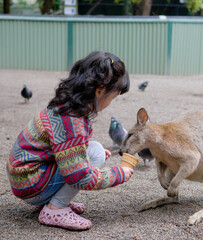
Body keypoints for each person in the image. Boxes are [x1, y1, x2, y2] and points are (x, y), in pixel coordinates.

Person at [6, 51, 134, 231]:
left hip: (23, 177)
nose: (111, 102)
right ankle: (55, 209)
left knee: (93, 150)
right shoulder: (72, 122)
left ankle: (52, 201)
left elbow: (64, 146)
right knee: (95, 153)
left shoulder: (65, 106)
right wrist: (118, 174)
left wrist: (86, 151)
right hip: (31, 184)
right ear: (99, 90)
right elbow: (80, 177)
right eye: (113, 96)